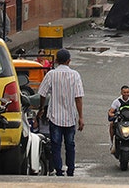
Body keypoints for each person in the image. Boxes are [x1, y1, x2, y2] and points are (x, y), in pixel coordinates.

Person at [37, 48, 85, 177]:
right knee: (70, 145)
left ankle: (59, 171)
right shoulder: (75, 75)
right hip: (70, 117)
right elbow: (78, 97)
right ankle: (71, 170)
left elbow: (42, 93)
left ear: (57, 60)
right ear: (69, 61)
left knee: (56, 145)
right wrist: (81, 117)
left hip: (54, 117)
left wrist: (41, 108)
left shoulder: (51, 74)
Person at [107, 84, 129, 154]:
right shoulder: (117, 101)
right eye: (124, 92)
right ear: (121, 93)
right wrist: (113, 115)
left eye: (127, 92)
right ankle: (112, 142)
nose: (127, 94)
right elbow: (110, 112)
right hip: (120, 120)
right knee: (111, 125)